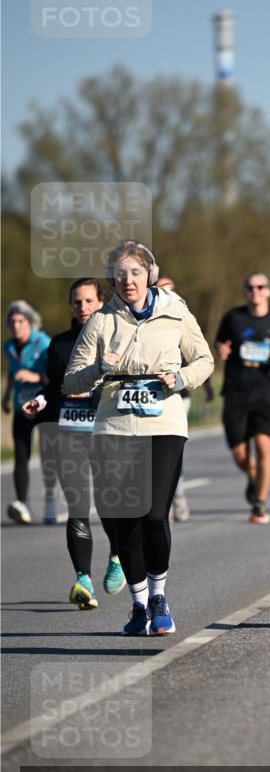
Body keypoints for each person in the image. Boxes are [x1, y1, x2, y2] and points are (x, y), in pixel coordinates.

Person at [63, 240, 214, 636]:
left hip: (163, 424)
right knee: (123, 523)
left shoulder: (175, 311)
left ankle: (160, 597)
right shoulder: (101, 320)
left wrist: (180, 379)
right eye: (120, 273)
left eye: (135, 272)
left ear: (149, 273)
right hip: (113, 428)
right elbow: (70, 381)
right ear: (112, 277)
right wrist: (98, 367)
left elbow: (205, 359)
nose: (127, 280)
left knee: (151, 514)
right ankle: (139, 603)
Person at [22, 278, 125, 609]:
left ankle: (118, 557)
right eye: (77, 302)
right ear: (71, 306)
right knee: (78, 505)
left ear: (100, 302)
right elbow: (55, 389)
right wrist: (39, 402)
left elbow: (123, 385)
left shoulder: (117, 338)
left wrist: (91, 392)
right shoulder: (60, 344)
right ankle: (84, 580)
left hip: (107, 430)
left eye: (89, 301)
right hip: (69, 432)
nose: (83, 307)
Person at [215, 272, 270, 524]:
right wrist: (220, 348)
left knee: (265, 448)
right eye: (250, 287)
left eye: (260, 287)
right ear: (245, 291)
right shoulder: (233, 318)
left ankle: (259, 504)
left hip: (265, 391)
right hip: (235, 391)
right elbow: (219, 343)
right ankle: (253, 475)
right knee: (239, 454)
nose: (255, 291)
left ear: (268, 291)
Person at [156, 275, 214, 522]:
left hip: (179, 395)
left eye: (169, 289)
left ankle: (175, 495)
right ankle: (160, 499)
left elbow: (198, 356)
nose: (165, 293)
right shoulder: (147, 321)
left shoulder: (180, 316)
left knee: (171, 448)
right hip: (147, 395)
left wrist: (208, 386)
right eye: (160, 289)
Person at [2, 300, 55, 524]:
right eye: (12, 322)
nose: (16, 326)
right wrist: (6, 397)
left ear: (30, 322)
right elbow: (15, 376)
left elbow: (56, 376)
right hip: (20, 407)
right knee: (21, 456)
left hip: (43, 405)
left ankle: (50, 499)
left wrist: (35, 377)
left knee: (47, 456)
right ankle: (22, 504)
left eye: (20, 321)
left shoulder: (44, 344)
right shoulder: (8, 347)